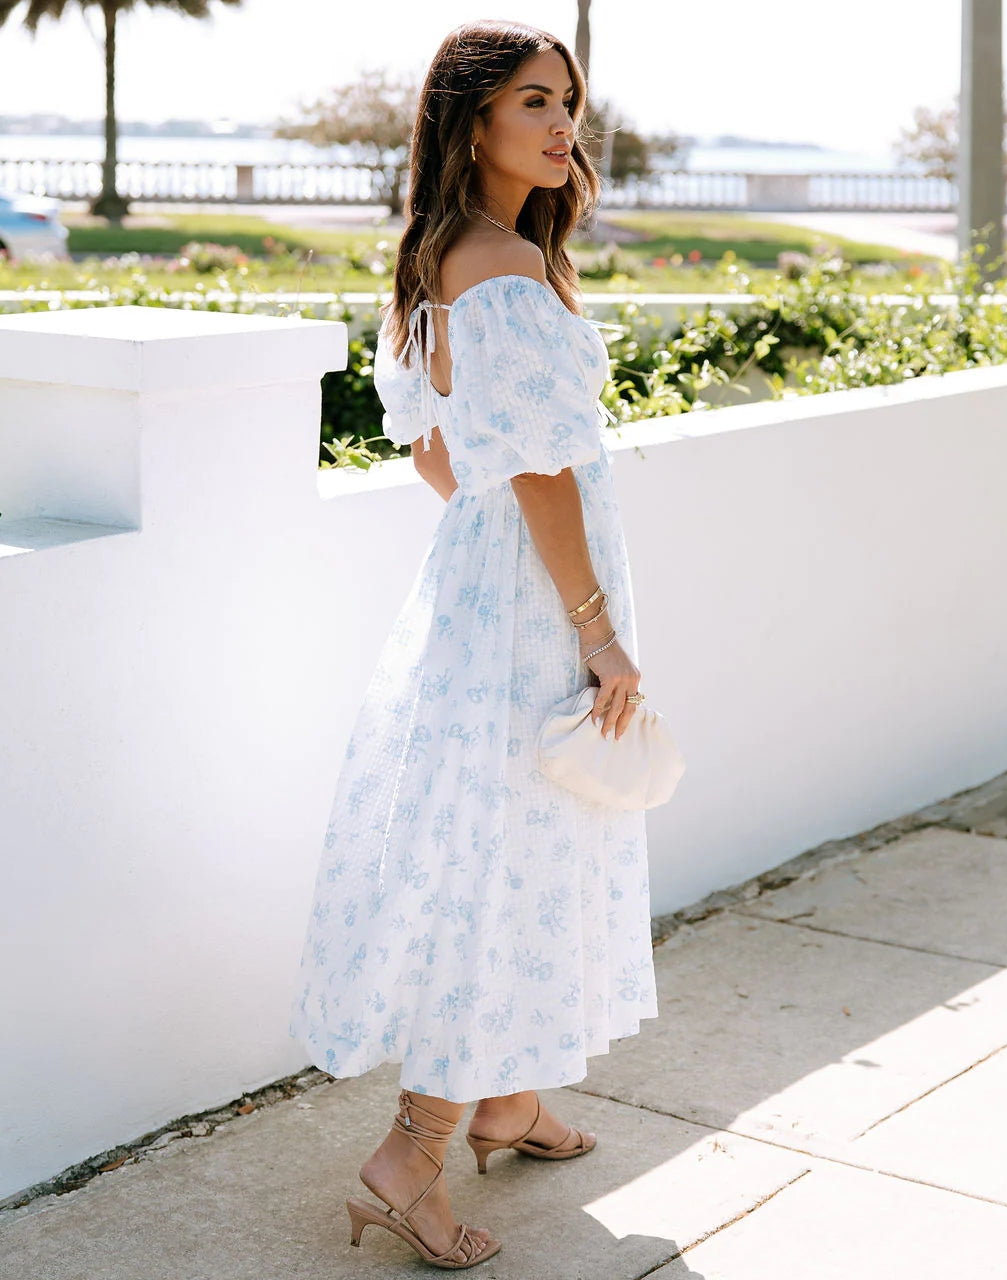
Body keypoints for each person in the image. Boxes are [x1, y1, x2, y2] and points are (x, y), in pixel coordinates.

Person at [289, 18, 658, 1270]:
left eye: (569, 103)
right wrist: (595, 629)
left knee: (500, 837)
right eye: (533, 104)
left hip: (478, 591)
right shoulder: (501, 268)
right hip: (535, 605)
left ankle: (505, 1101)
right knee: (506, 857)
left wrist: (500, 559)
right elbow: (542, 464)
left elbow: (441, 455)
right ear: (472, 125)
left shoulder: (439, 258)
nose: (563, 126)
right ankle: (411, 1152)